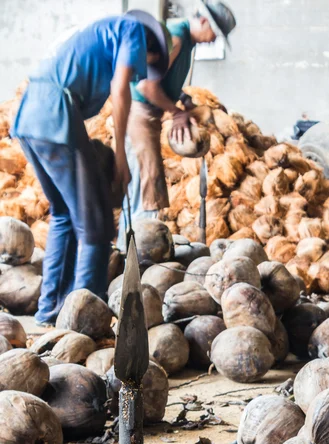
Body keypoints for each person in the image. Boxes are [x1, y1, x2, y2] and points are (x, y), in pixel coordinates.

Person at [11, 11, 170, 325]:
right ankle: (83, 324)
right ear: (148, 49)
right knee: (97, 227)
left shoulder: (97, 33)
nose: (140, 71)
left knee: (64, 215)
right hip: (54, 114)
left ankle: (50, 313)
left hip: (30, 115)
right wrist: (122, 159)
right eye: (144, 65)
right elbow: (120, 87)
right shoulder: (132, 30)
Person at [117, 0, 236, 251]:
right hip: (139, 115)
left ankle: (131, 254)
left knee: (147, 187)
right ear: (203, 21)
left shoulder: (185, 41)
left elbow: (160, 80)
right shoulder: (176, 36)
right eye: (215, 34)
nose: (213, 40)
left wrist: (179, 97)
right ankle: (131, 260)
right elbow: (145, 86)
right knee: (145, 190)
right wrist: (176, 112)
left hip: (147, 116)